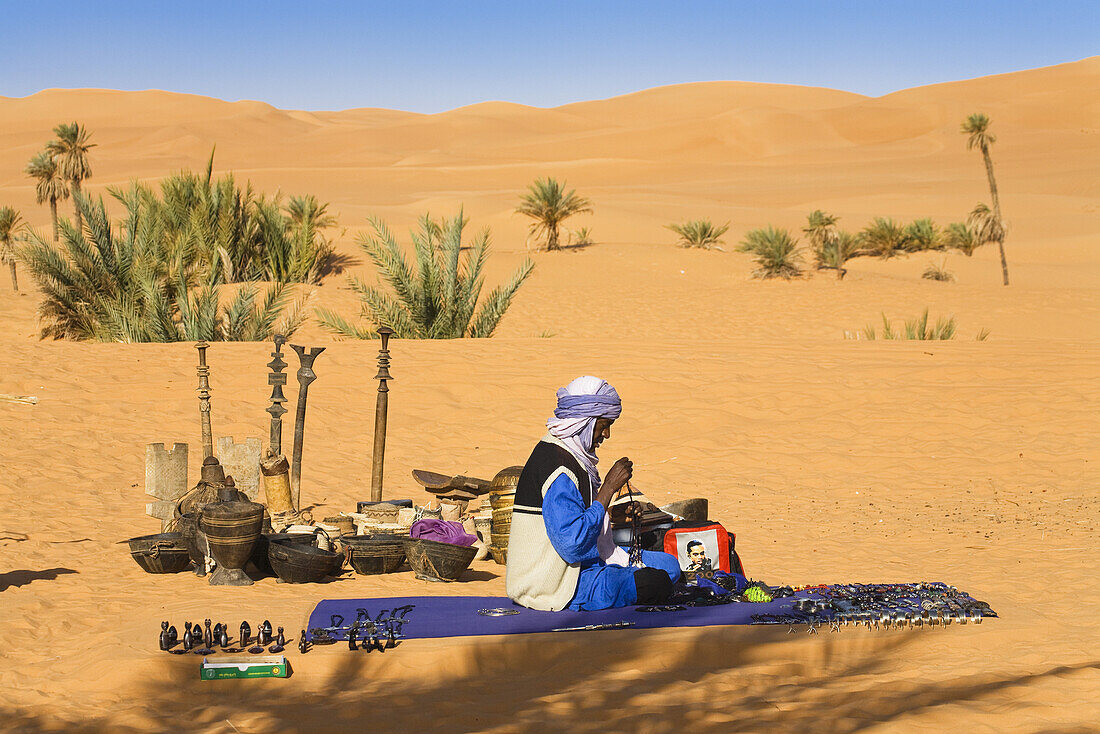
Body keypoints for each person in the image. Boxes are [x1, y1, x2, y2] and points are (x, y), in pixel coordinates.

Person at [506, 376, 681, 611]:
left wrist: (611, 516)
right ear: (585, 422)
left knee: (669, 566)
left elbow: (576, 514)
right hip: (555, 581)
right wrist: (608, 489)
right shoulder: (558, 468)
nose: (606, 434)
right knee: (655, 582)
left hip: (584, 561)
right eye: (604, 425)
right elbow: (572, 545)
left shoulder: (573, 455)